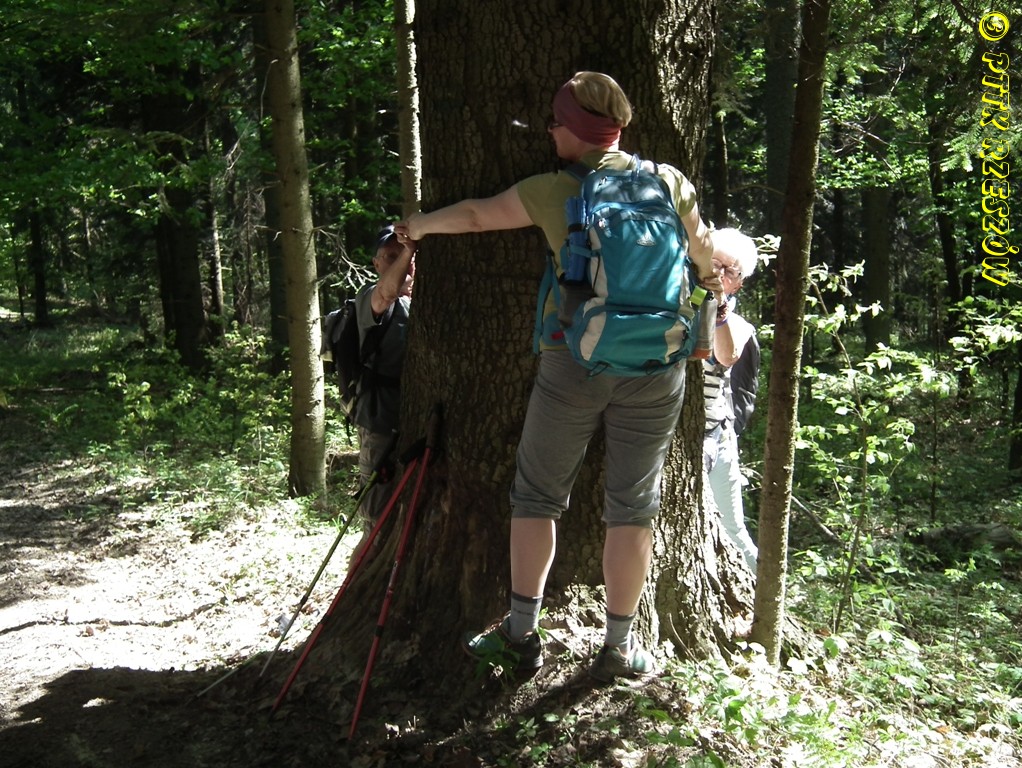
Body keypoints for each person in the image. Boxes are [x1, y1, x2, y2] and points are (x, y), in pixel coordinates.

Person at [395, 72, 718, 682]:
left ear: (575, 129)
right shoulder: (668, 181)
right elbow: (702, 252)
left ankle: (520, 635)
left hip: (574, 360)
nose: (549, 130)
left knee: (537, 498)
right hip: (659, 363)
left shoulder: (554, 190)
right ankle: (619, 647)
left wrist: (418, 226)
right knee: (633, 507)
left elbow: (475, 217)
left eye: (556, 121)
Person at [349, 225, 415, 566]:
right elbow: (386, 294)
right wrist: (409, 250)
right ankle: (357, 587)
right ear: (377, 264)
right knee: (376, 522)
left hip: (417, 424)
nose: (402, 261)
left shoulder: (424, 301)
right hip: (379, 426)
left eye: (405, 254)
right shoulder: (370, 299)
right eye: (391, 256)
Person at [702, 228, 759, 572]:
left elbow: (726, 356)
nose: (719, 273)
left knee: (733, 531)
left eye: (730, 271)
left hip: (716, 438)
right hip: (667, 431)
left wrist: (719, 306)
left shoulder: (738, 325)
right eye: (715, 263)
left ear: (738, 283)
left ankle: (767, 593)